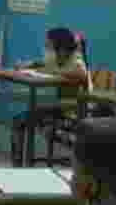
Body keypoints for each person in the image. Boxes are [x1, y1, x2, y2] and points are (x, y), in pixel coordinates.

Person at [11, 27, 88, 165]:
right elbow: (42, 64)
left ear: (61, 47)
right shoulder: (58, 58)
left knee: (31, 118)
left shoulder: (76, 59)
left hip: (74, 109)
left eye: (49, 45)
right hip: (60, 107)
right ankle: (17, 163)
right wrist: (29, 65)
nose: (46, 49)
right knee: (19, 120)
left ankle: (25, 163)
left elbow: (81, 74)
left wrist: (54, 72)